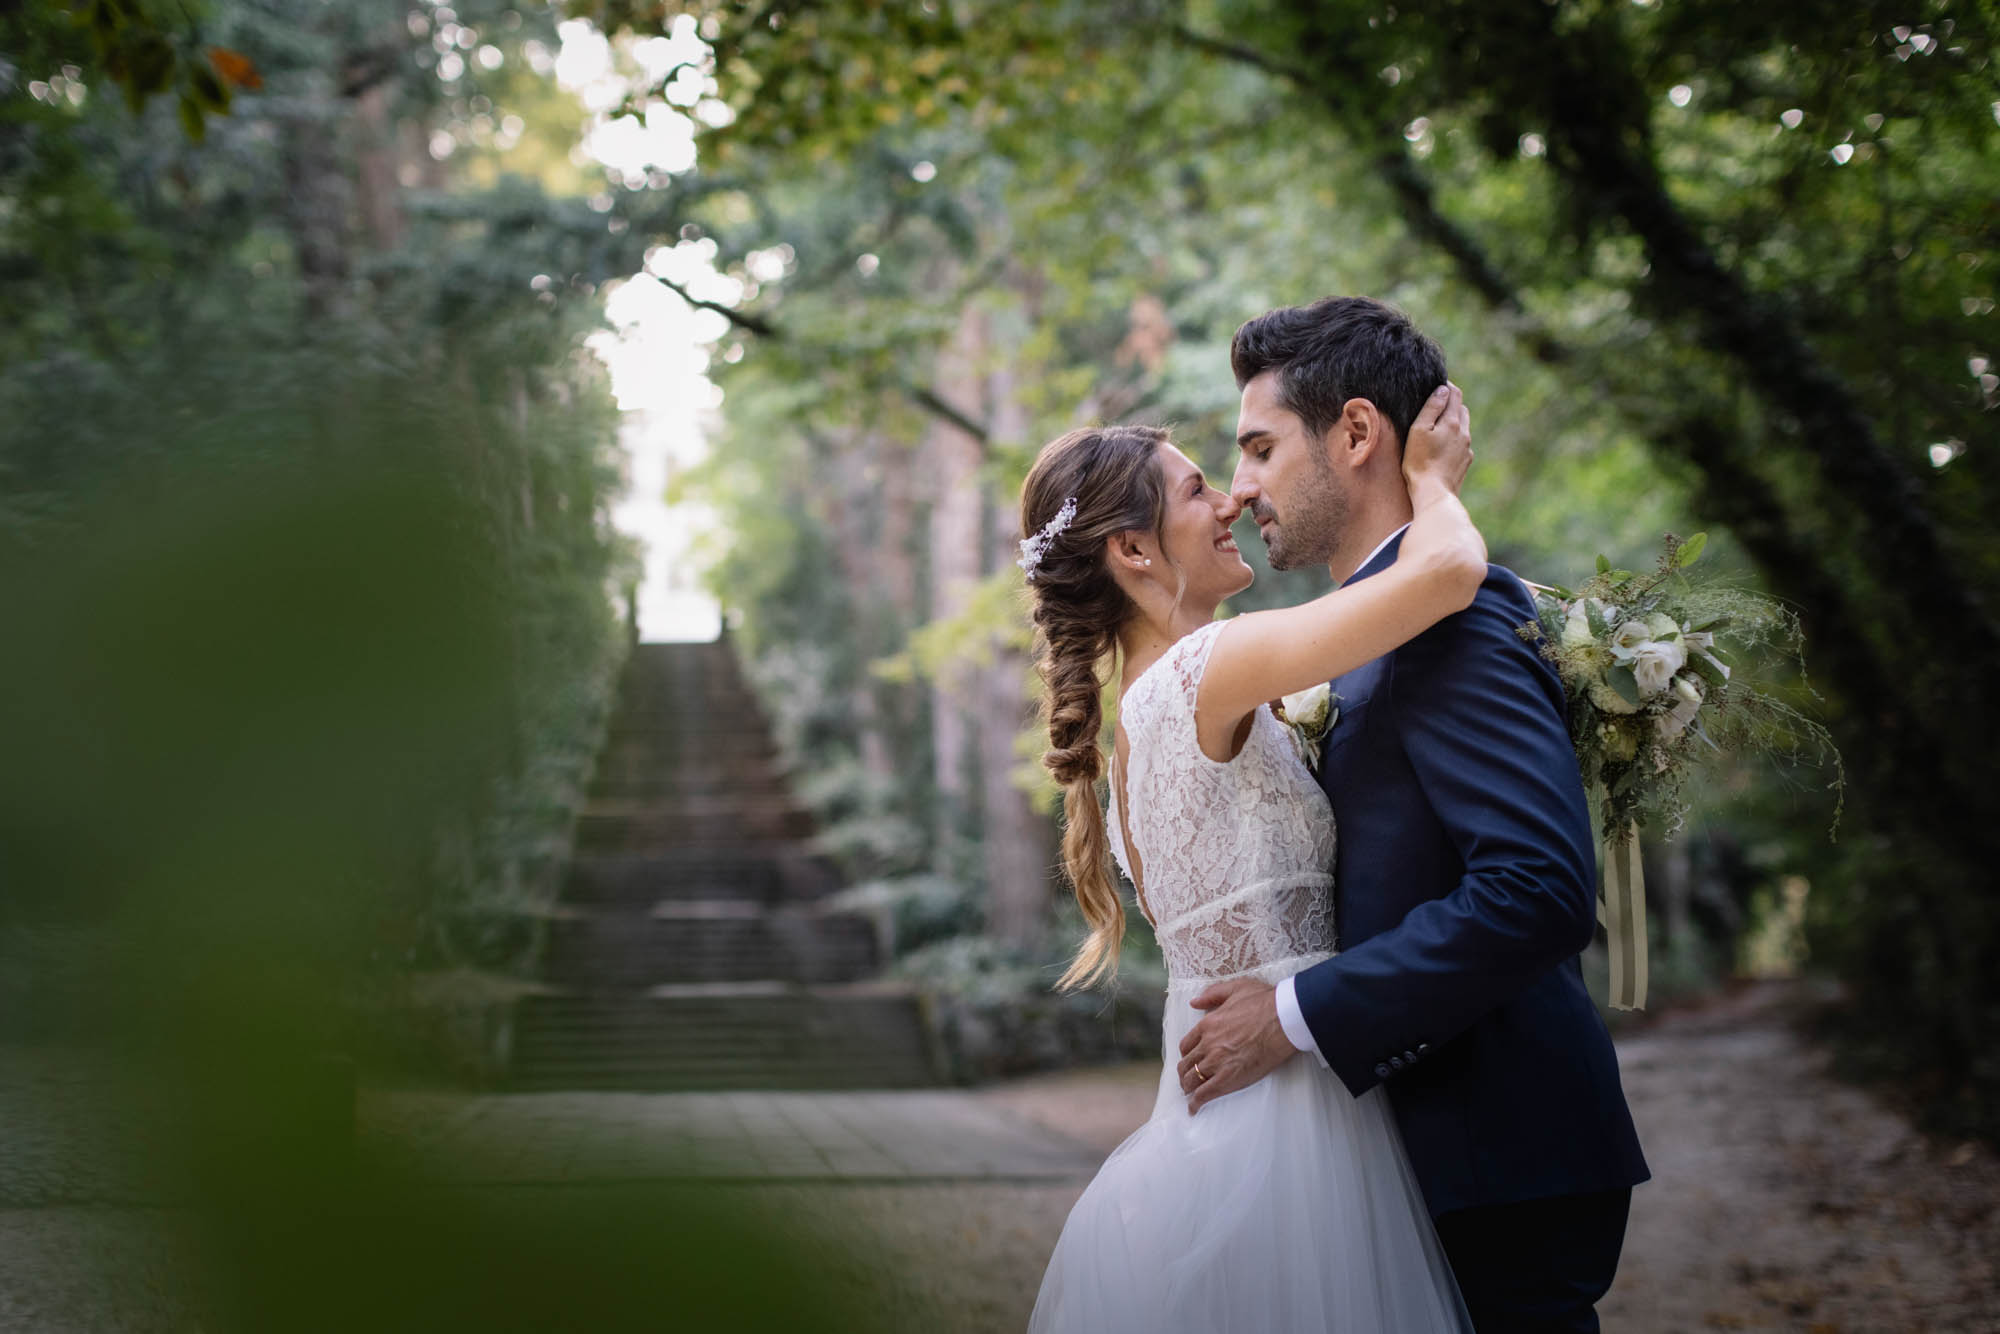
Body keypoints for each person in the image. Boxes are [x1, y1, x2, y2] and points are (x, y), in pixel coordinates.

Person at [1177, 296, 1650, 1332]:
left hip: (1495, 1148)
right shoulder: (1381, 624)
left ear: (1355, 432)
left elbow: (1536, 889)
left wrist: (1292, 1017)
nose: (1240, 486)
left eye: (1259, 447)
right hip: (1429, 1147)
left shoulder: (1455, 620)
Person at [1022, 385, 1484, 1333]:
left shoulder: (1143, 716)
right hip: (1288, 1118)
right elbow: (1447, 574)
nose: (1232, 498)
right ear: (1134, 551)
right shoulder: (1204, 673)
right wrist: (1434, 481)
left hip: (1234, 1104)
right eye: (1197, 491)